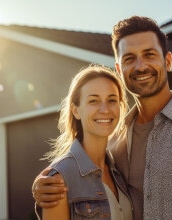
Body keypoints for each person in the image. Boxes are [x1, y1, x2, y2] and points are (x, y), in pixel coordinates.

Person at [32, 16, 172, 220]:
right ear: (119, 69)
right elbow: (79, 175)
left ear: (167, 61)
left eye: (149, 54)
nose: (140, 66)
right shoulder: (115, 139)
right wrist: (43, 184)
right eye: (129, 58)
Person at [39, 64, 132, 220]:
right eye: (94, 101)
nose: (105, 109)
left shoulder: (120, 169)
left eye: (112, 100)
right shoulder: (59, 178)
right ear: (76, 110)